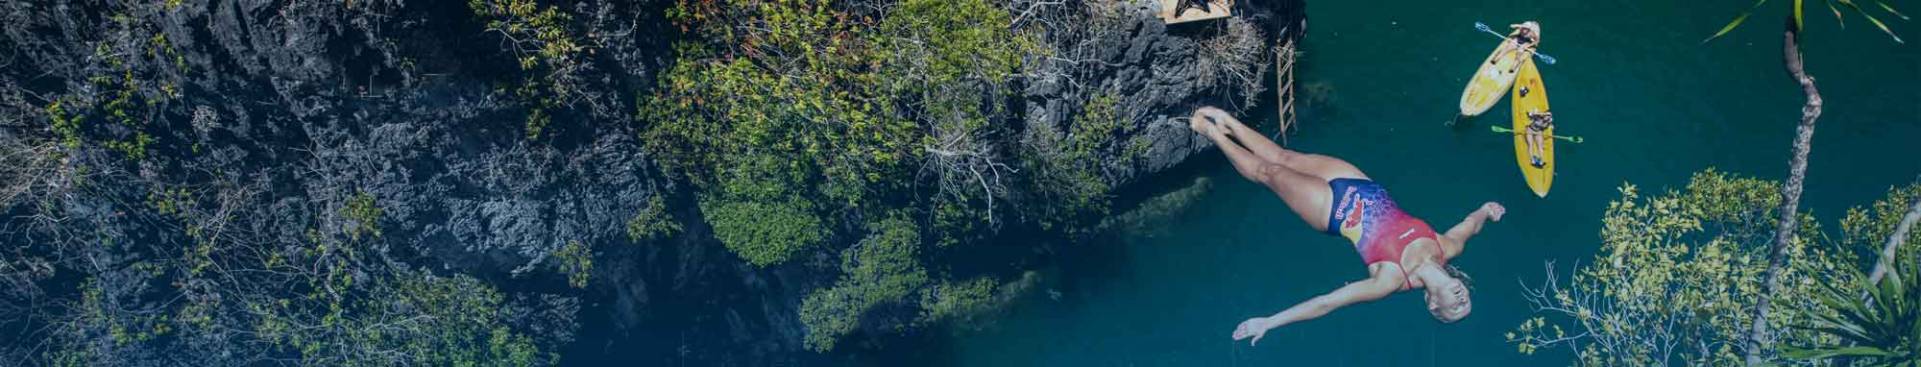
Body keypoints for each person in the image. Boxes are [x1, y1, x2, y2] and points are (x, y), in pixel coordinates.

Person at [1183, 107, 1506, 346]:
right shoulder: (1448, 248)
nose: (1462, 300)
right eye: (1466, 301)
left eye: (1455, 308)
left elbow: (1329, 302)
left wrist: (1270, 321)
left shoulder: (1391, 281)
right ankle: (1228, 123)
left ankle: (1213, 135)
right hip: (1361, 185)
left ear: (1433, 304)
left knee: (1269, 173)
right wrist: (1485, 211)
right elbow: (1469, 225)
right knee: (1286, 156)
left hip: (1332, 211)